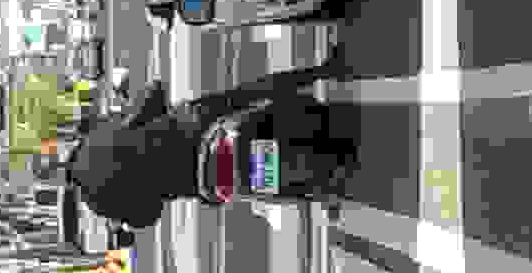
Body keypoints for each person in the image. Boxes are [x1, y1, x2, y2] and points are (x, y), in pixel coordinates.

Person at [63, 68, 341, 232]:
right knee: (249, 94)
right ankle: (321, 71)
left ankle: (320, 195)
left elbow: (148, 216)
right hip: (193, 127)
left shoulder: (97, 203)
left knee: (253, 188)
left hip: (200, 180)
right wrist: (152, 92)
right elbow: (144, 107)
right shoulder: (96, 138)